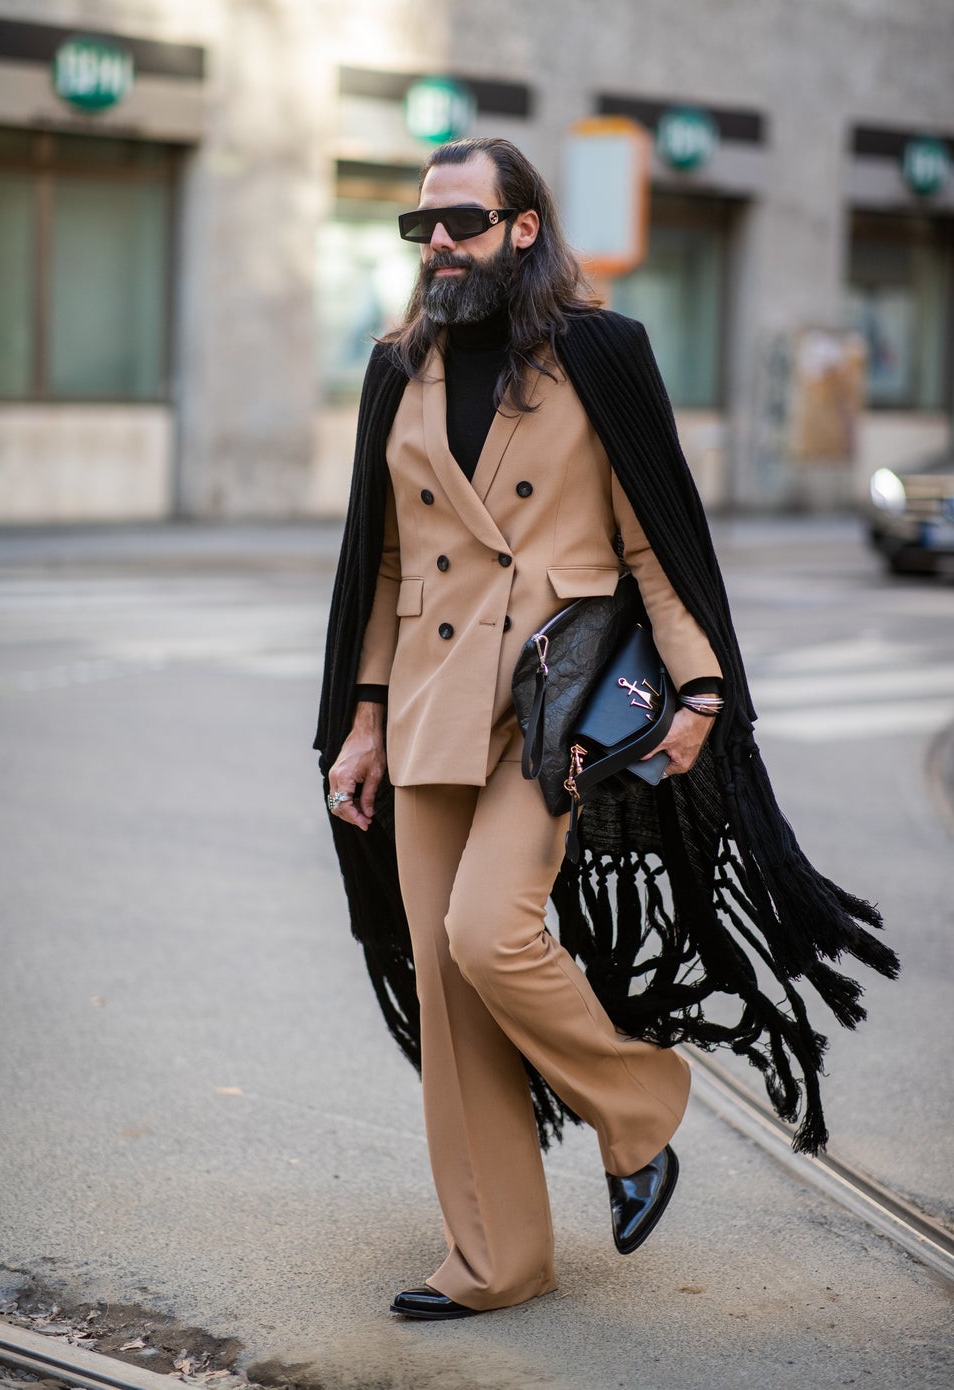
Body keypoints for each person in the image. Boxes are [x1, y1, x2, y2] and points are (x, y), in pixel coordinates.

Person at [314, 138, 898, 1320]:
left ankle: (638, 1109)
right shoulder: (398, 366)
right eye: (419, 228)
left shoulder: (600, 353)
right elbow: (376, 559)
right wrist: (362, 718)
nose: (437, 246)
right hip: (428, 697)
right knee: (446, 980)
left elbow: (654, 541)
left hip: (553, 699)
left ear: (524, 226)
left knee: (490, 932)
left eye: (462, 223)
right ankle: (496, 1257)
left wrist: (700, 691)